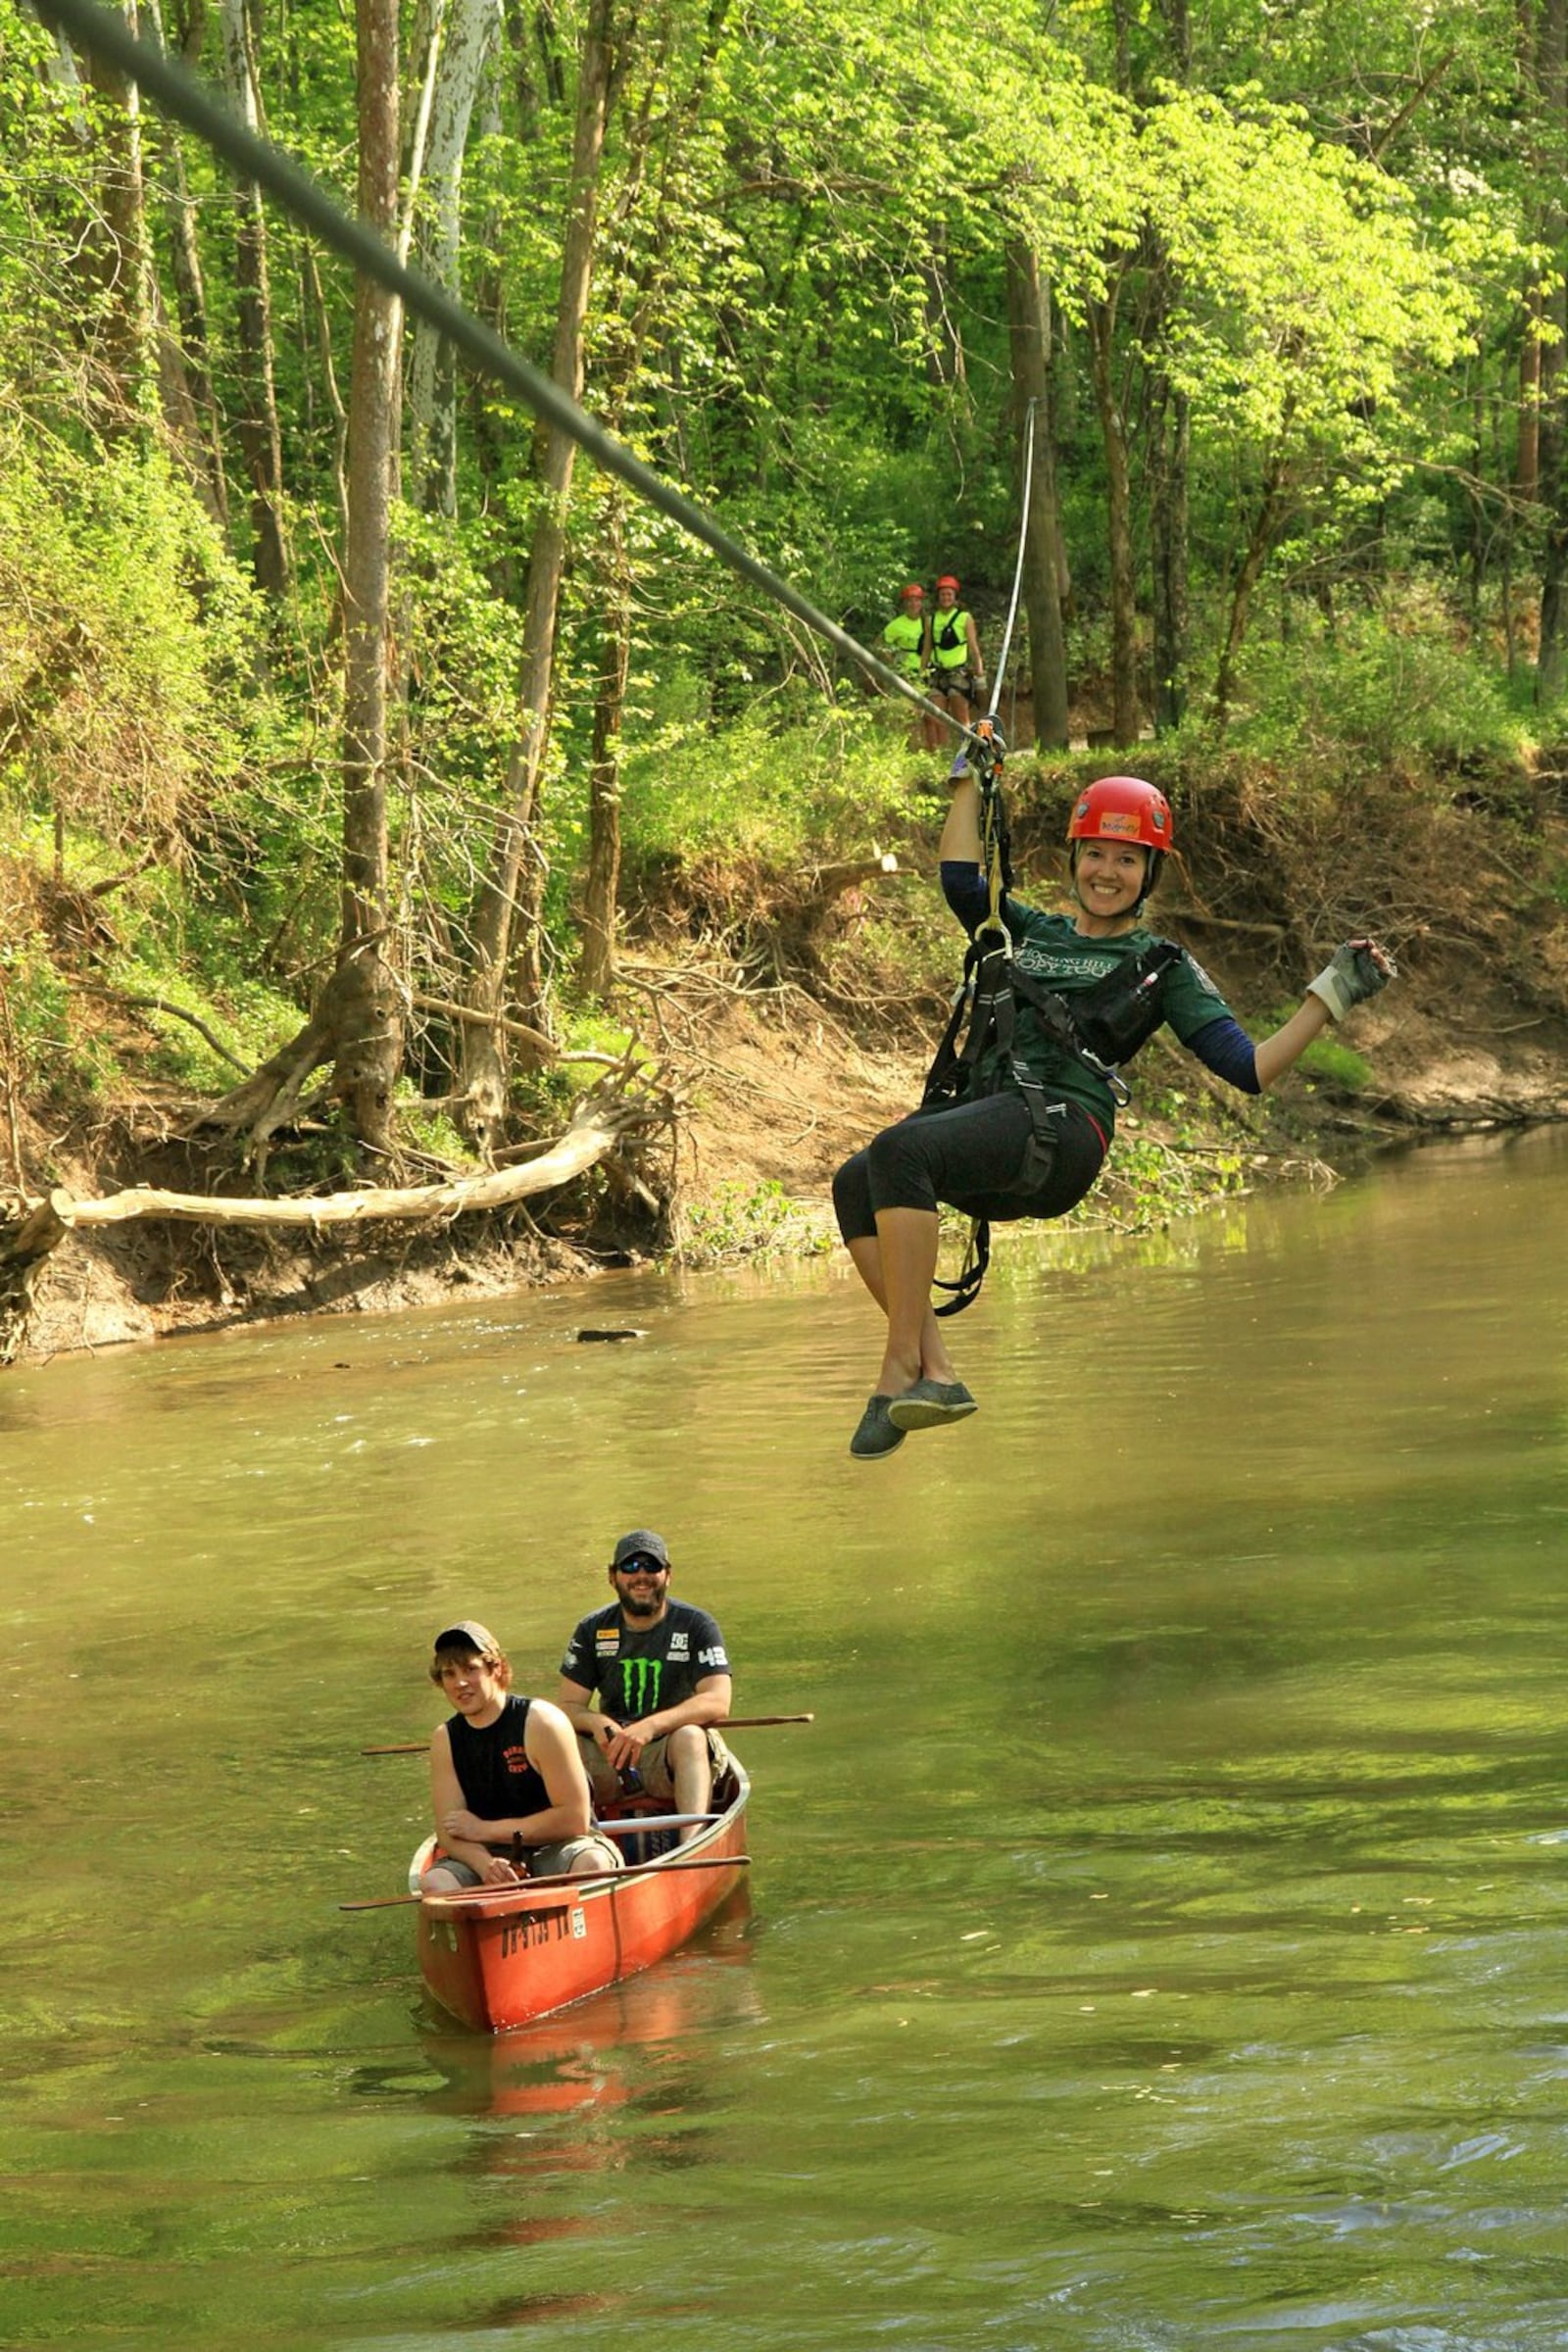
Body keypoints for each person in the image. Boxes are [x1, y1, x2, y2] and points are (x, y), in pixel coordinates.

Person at [831, 771, 1396, 1459]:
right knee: (856, 1178)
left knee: (898, 1152)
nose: (1108, 871)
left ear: (1149, 872)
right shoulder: (1030, 928)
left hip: (1062, 1132)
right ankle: (936, 1373)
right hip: (998, 1120)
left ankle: (899, 1374)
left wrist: (1329, 993)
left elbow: (1250, 1069)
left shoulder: (1162, 965)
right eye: (1095, 853)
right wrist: (968, 783)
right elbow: (958, 878)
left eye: (1127, 859)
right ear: (1073, 859)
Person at [419, 1620, 622, 1892]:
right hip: (490, 1854)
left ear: (496, 1669)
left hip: (560, 1847)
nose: (461, 1683)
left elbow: (574, 1819)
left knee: (593, 1863)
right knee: (436, 1882)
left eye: (471, 1669)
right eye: (449, 1674)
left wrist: (484, 1830)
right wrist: (486, 1866)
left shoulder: (541, 1721)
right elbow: (450, 1831)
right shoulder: (445, 1739)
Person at [558, 1530, 733, 1839]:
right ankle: (580, 1846)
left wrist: (650, 1727)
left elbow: (718, 1701)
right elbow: (567, 1707)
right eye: (629, 1567)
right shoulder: (592, 1629)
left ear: (668, 1575)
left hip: (670, 1753)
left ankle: (689, 1848)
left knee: (692, 1737)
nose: (641, 1575)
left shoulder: (696, 1625)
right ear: (613, 1577)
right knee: (557, 1742)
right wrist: (595, 1722)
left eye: (651, 1566)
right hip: (612, 1753)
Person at [928, 575, 986, 751]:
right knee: (934, 717)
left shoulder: (964, 618)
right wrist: (921, 671)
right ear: (938, 596)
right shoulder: (931, 619)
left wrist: (979, 672)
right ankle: (941, 755)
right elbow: (927, 648)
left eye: (949, 594)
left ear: (955, 597)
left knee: (961, 719)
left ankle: (968, 754)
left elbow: (973, 647)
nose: (946, 598)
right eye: (943, 594)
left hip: (958, 674)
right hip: (937, 673)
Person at [882, 583, 940, 751]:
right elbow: (880, 644)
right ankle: (913, 750)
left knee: (931, 715)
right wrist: (894, 661)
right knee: (912, 715)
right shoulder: (896, 625)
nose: (913, 604)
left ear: (921, 603)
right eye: (909, 601)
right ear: (905, 603)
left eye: (916, 601)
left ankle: (933, 751)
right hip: (907, 674)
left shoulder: (928, 622)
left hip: (928, 672)